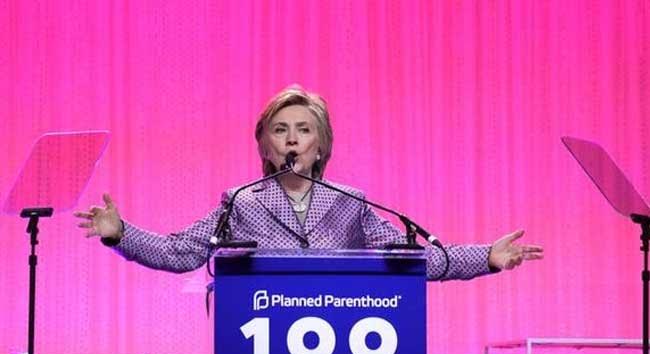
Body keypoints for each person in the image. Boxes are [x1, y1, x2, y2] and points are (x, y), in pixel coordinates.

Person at [74, 85, 543, 280]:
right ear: (265, 146)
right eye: (280, 130)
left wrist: (486, 256)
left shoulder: (351, 203)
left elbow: (410, 258)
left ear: (320, 145)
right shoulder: (241, 201)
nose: (292, 139)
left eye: (303, 130)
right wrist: (120, 233)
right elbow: (182, 252)